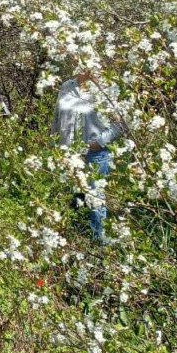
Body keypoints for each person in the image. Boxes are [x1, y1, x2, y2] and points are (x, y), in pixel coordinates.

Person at [52, 70, 124, 242]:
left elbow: (121, 124)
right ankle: (77, 244)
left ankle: (97, 245)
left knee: (95, 202)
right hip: (69, 156)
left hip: (95, 155)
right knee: (75, 201)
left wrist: (99, 142)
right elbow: (56, 119)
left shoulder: (105, 89)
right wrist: (55, 148)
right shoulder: (66, 87)